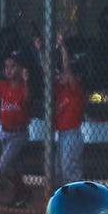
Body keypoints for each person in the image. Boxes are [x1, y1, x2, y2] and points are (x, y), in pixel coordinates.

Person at [0, 47, 34, 208]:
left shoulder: (23, 87)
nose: (8, 70)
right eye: (7, 67)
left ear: (21, 69)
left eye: (13, 66)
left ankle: (23, 191)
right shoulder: (3, 86)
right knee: (10, 167)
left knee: (2, 166)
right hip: (5, 132)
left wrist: (27, 80)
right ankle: (19, 195)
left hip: (19, 134)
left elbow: (28, 98)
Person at [41, 33, 86, 186]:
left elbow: (67, 70)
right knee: (58, 173)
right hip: (61, 135)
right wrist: (40, 50)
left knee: (69, 170)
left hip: (72, 134)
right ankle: (64, 202)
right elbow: (47, 71)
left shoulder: (75, 89)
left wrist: (63, 48)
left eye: (68, 74)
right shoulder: (60, 89)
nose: (63, 76)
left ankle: (78, 201)